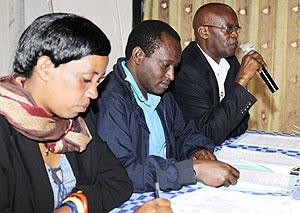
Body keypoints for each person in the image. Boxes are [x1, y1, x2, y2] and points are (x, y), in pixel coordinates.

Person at [0, 13, 133, 213]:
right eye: (87, 79)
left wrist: (74, 206)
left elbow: (118, 181)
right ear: (45, 67)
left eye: (98, 81)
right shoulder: (4, 133)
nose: (94, 93)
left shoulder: (76, 123)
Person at [94, 20, 239, 193]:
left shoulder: (160, 92)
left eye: (174, 67)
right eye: (165, 65)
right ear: (139, 55)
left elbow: (185, 133)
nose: (171, 76)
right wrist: (192, 170)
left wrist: (195, 150)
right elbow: (123, 171)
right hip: (133, 195)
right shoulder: (110, 101)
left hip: (163, 185)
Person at [171, 3, 267, 145]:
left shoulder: (230, 61)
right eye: (228, 29)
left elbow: (239, 125)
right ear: (204, 32)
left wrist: (225, 123)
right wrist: (242, 79)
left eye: (236, 29)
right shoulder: (186, 70)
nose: (235, 34)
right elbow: (208, 134)